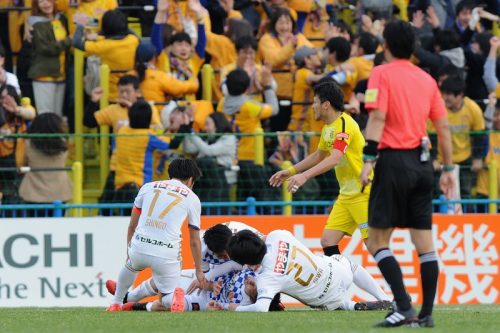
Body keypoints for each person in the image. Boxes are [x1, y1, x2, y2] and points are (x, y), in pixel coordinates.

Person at [359, 21, 454, 327]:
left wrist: (368, 159)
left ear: (385, 44)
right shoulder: (426, 79)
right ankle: (426, 314)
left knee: (376, 241)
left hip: (393, 162)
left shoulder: (381, 73)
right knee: (424, 244)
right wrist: (449, 168)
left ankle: (403, 306)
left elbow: (377, 117)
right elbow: (442, 127)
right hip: (424, 163)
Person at [270, 77, 370, 257]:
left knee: (375, 245)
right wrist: (291, 171)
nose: (312, 106)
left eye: (315, 102)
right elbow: (318, 155)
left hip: (365, 193)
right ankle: (340, 281)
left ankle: (396, 286)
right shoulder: (328, 128)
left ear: (326, 105)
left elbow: (335, 159)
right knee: (327, 241)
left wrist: (304, 176)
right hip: (347, 196)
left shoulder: (344, 125)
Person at [106, 158, 205, 312]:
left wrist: (130, 250)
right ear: (190, 179)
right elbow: (194, 240)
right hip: (167, 252)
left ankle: (116, 303)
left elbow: (132, 225)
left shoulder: (147, 187)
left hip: (140, 245)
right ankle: (173, 297)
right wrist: (199, 270)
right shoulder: (192, 198)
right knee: (166, 296)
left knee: (130, 267)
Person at [213, 229, 392, 312]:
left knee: (325, 298)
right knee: (347, 263)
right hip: (337, 272)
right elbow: (263, 239)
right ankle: (384, 298)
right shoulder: (278, 236)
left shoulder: (268, 278)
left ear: (247, 261)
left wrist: (231, 307)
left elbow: (261, 308)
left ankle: (349, 305)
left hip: (324, 300)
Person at [105, 222, 264, 305]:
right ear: (212, 251)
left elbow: (264, 246)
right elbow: (204, 278)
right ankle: (129, 298)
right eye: (222, 255)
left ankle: (131, 301)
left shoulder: (244, 233)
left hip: (248, 276)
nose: (227, 256)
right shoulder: (202, 251)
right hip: (220, 279)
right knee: (174, 279)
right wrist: (208, 285)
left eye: (228, 253)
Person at [73, 9, 139, 101]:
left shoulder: (103, 46)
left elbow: (76, 42)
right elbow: (126, 32)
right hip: (130, 92)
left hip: (109, 96)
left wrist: (80, 25)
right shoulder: (132, 40)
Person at [19, 113, 72, 216]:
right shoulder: (63, 144)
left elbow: (21, 162)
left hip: (33, 191)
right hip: (60, 191)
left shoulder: (28, 144)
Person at [27, 0, 71, 117]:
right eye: (41, 1)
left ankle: (56, 136)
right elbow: (46, 48)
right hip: (44, 75)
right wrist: (68, 41)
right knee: (45, 115)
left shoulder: (61, 19)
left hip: (60, 74)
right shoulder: (37, 23)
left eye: (48, 0)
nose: (46, 4)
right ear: (36, 5)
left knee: (57, 115)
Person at [183, 112, 238, 203]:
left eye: (208, 124)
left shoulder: (229, 138)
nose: (205, 128)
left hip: (223, 180)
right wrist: (186, 131)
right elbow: (189, 149)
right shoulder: (210, 139)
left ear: (217, 124)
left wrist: (192, 134)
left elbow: (208, 151)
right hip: (207, 180)